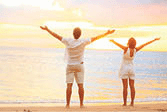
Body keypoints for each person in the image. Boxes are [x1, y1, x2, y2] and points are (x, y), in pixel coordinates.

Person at [40, 25, 115, 108]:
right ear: (80, 34)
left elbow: (56, 36)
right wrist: (107, 33)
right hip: (79, 66)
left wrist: (47, 29)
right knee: (81, 85)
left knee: (69, 85)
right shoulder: (83, 41)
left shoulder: (68, 41)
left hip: (70, 66)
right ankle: (81, 104)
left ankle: (68, 105)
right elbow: (96, 38)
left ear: (73, 33)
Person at [109, 37, 160, 106]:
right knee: (132, 86)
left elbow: (118, 44)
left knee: (125, 87)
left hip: (124, 69)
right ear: (135, 43)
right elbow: (145, 44)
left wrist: (113, 41)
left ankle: (125, 103)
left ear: (128, 43)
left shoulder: (126, 49)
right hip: (131, 68)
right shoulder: (136, 50)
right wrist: (154, 40)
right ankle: (132, 102)